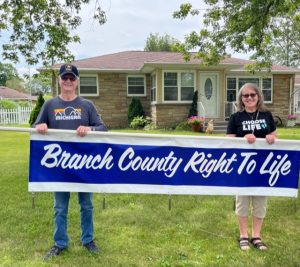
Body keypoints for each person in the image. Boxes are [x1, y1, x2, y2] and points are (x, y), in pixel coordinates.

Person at [34, 64, 107, 260]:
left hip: (83, 164)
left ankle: (88, 240)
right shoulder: (49, 105)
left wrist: (90, 129)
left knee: (87, 205)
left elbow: (103, 128)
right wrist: (40, 126)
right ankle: (59, 243)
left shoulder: (86, 105)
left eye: (71, 78)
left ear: (77, 81)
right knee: (59, 207)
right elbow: (35, 127)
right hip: (59, 165)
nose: (68, 81)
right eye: (64, 78)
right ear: (59, 80)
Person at [226, 83, 277, 251]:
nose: (249, 98)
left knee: (260, 202)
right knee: (242, 201)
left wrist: (271, 136)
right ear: (241, 98)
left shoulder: (266, 115)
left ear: (258, 97)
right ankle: (243, 235)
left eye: (252, 95)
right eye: (245, 95)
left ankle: (256, 235)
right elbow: (228, 140)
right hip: (242, 166)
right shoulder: (236, 117)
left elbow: (274, 134)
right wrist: (243, 138)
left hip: (264, 166)